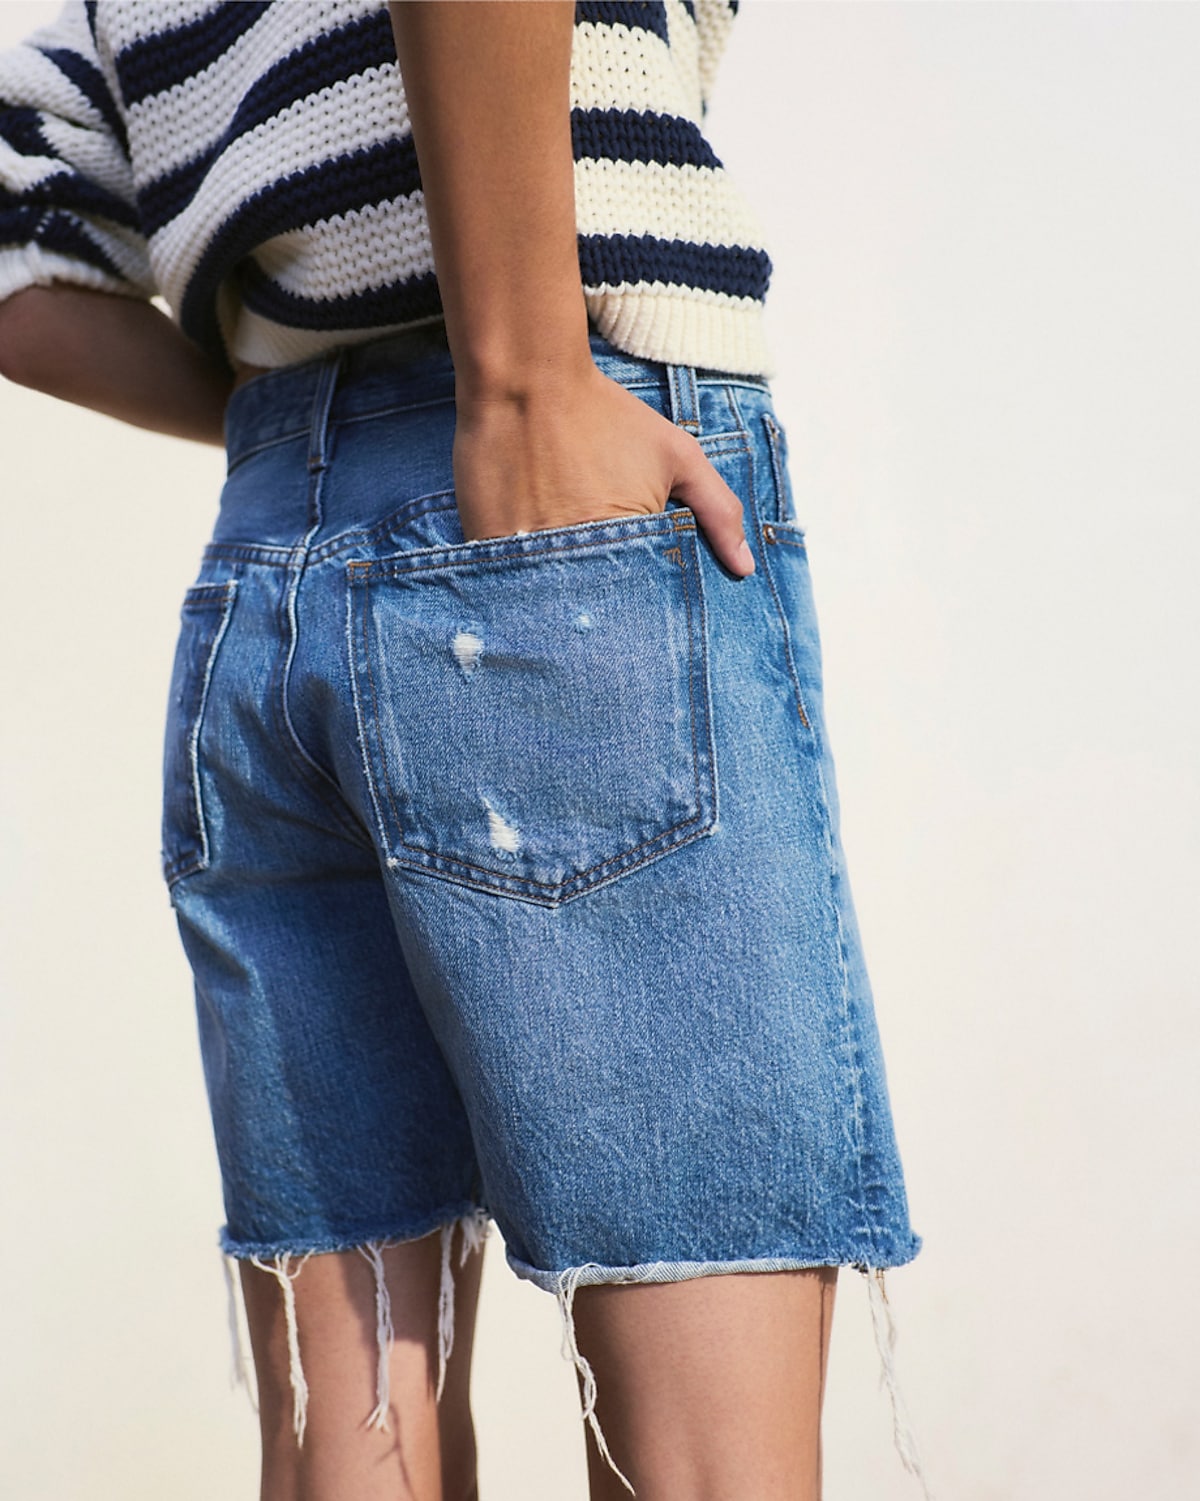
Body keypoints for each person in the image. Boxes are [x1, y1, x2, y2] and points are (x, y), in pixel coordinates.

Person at [0, 3, 928, 1498]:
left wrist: (288, 426)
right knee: (705, 1455)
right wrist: (523, 386)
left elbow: (18, 257)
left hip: (273, 568)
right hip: (548, 525)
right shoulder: (529, 405)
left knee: (350, 1441)